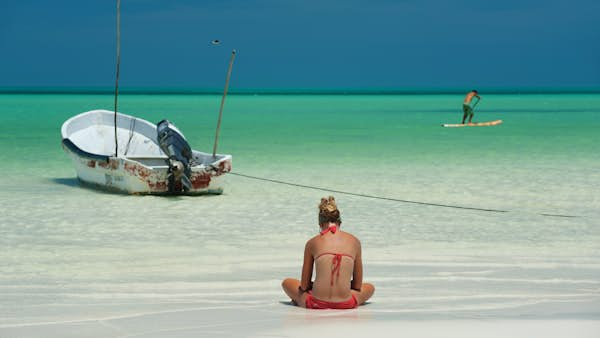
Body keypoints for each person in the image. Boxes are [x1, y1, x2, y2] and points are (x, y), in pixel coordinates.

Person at [281, 196, 375, 309]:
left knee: (287, 283)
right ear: (339, 222)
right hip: (346, 304)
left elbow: (304, 285)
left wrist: (316, 285)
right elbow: (357, 285)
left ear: (320, 224)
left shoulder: (312, 242)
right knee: (370, 287)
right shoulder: (355, 241)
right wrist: (342, 284)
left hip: (316, 303)